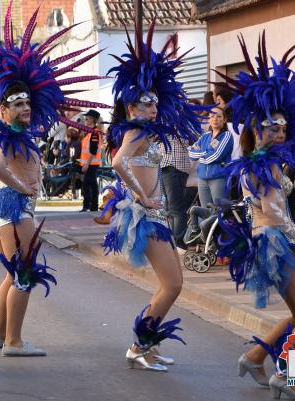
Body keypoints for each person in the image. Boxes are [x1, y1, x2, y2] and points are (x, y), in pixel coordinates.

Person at [0, 3, 106, 356]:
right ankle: (13, 342)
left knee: (12, 275)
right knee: (24, 274)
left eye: (27, 103)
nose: (25, 108)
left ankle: (0, 336)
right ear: (3, 110)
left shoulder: (20, 132)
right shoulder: (10, 134)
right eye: (17, 104)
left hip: (4, 207)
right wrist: (22, 187)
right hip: (14, 207)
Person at [216, 33, 295, 400]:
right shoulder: (262, 167)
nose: (279, 133)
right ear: (255, 129)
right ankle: (289, 376)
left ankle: (254, 356)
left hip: (267, 244)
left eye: (282, 128)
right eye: (271, 128)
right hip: (278, 241)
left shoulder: (258, 163)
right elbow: (277, 215)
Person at [103, 21, 203, 372]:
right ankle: (138, 345)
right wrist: (142, 196)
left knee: (174, 284)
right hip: (147, 216)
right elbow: (119, 161)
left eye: (155, 104)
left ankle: (147, 343)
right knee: (172, 284)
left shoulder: (144, 130)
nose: (152, 109)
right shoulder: (136, 130)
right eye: (146, 104)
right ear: (131, 108)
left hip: (157, 214)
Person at [189, 106, 233, 207]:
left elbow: (215, 156)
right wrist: (206, 152)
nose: (215, 119)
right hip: (202, 180)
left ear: (224, 119)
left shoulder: (226, 135)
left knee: (220, 213)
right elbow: (191, 154)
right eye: (212, 116)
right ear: (208, 119)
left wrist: (200, 153)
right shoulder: (205, 136)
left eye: (219, 116)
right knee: (205, 213)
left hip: (218, 178)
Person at [79, 109, 102, 212]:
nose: (85, 120)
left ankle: (88, 206)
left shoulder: (94, 133)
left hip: (92, 164)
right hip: (89, 163)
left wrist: (86, 164)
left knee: (88, 184)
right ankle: (93, 207)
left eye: (87, 118)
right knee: (91, 184)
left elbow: (93, 151)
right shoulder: (89, 133)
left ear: (93, 120)